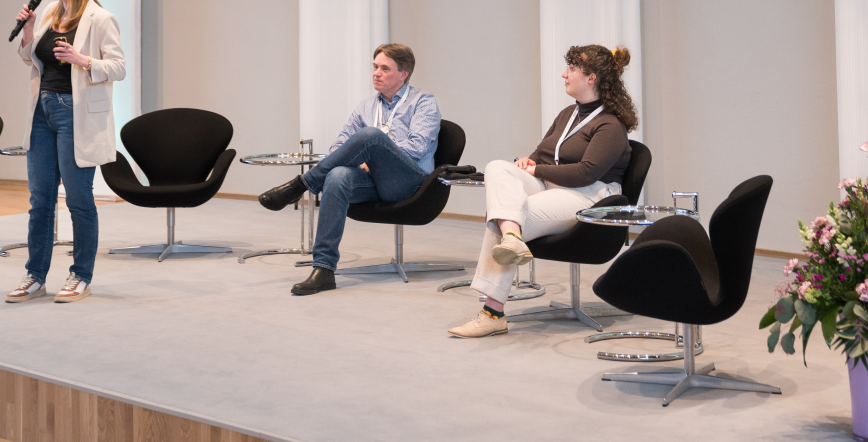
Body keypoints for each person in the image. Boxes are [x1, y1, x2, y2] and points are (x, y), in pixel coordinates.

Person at [448, 45, 635, 338]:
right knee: (498, 167)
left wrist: (536, 170)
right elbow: (542, 155)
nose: (564, 74)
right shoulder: (567, 114)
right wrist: (528, 162)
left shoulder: (610, 125)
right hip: (553, 185)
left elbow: (587, 172)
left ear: (591, 78)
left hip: (588, 196)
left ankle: (492, 313)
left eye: (572, 69)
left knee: (507, 214)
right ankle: (512, 239)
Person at [258, 44, 440, 296]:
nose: (376, 73)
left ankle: (300, 186)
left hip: (409, 182)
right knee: (337, 174)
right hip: (372, 183)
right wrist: (362, 158)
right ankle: (324, 269)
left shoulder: (423, 102)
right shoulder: (365, 107)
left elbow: (418, 147)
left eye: (385, 68)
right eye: (375, 67)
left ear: (403, 74)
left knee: (370, 136)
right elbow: (338, 147)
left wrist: (375, 154)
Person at [4, 0, 124, 304]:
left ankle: (81, 275)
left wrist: (82, 60)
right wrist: (28, 32)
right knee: (40, 199)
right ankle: (35, 275)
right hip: (41, 113)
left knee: (78, 199)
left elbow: (118, 67)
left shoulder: (101, 18)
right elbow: (31, 58)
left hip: (76, 115)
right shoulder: (47, 14)